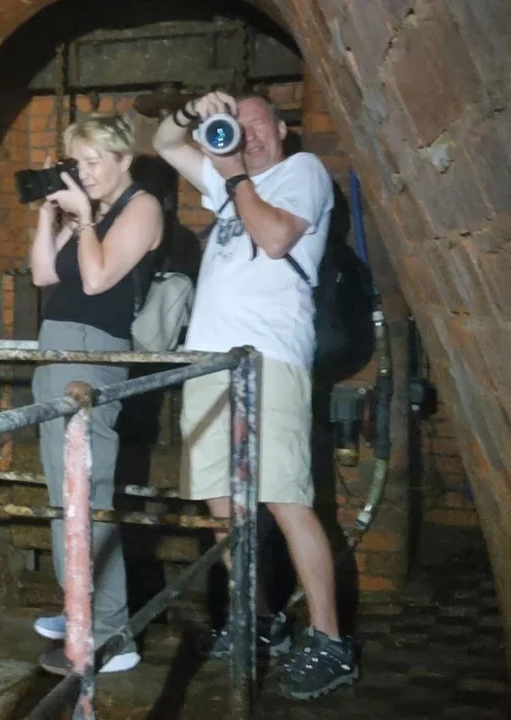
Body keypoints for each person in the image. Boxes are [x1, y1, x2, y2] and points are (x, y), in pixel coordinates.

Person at [153, 90, 359, 700]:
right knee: (221, 505)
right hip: (210, 363)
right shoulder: (226, 181)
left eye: (258, 124)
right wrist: (195, 114)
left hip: (270, 359)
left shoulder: (303, 173)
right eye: (235, 128)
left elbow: (273, 239)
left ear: (282, 127)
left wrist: (234, 173)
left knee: (286, 500)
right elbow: (164, 142)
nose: (248, 136)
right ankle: (262, 619)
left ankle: (330, 641)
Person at [29, 113, 164, 675]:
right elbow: (43, 275)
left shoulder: (142, 207)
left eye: (93, 161)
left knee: (87, 493)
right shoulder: (94, 212)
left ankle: (110, 634)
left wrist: (84, 221)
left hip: (91, 353)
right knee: (65, 495)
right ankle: (78, 607)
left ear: (123, 160)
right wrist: (50, 215)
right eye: (76, 161)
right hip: (57, 348)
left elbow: (96, 280)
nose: (83, 172)